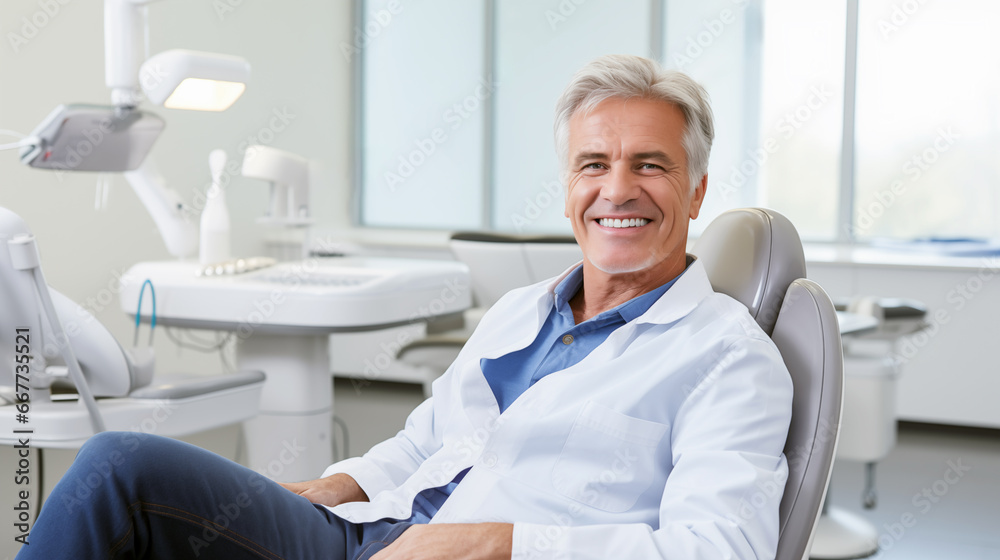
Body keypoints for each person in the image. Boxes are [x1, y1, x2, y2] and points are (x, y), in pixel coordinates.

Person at [17, 54, 792, 560]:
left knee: (117, 471)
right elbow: (423, 443)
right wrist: (334, 488)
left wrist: (496, 544)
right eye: (594, 164)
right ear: (568, 192)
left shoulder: (728, 357)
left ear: (694, 192)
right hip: (369, 534)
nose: (617, 189)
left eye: (649, 165)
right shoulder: (524, 311)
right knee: (120, 469)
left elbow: (722, 547)